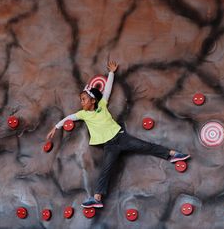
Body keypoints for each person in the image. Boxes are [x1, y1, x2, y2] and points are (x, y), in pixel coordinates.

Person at [46, 61, 190, 208]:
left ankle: (173, 154)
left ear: (93, 100)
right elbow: (69, 118)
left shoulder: (101, 105)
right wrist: (55, 128)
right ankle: (97, 198)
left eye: (84, 99)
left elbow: (107, 90)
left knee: (146, 146)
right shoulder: (82, 114)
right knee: (105, 170)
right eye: (81, 100)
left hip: (121, 137)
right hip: (110, 146)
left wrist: (111, 73)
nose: (81, 102)